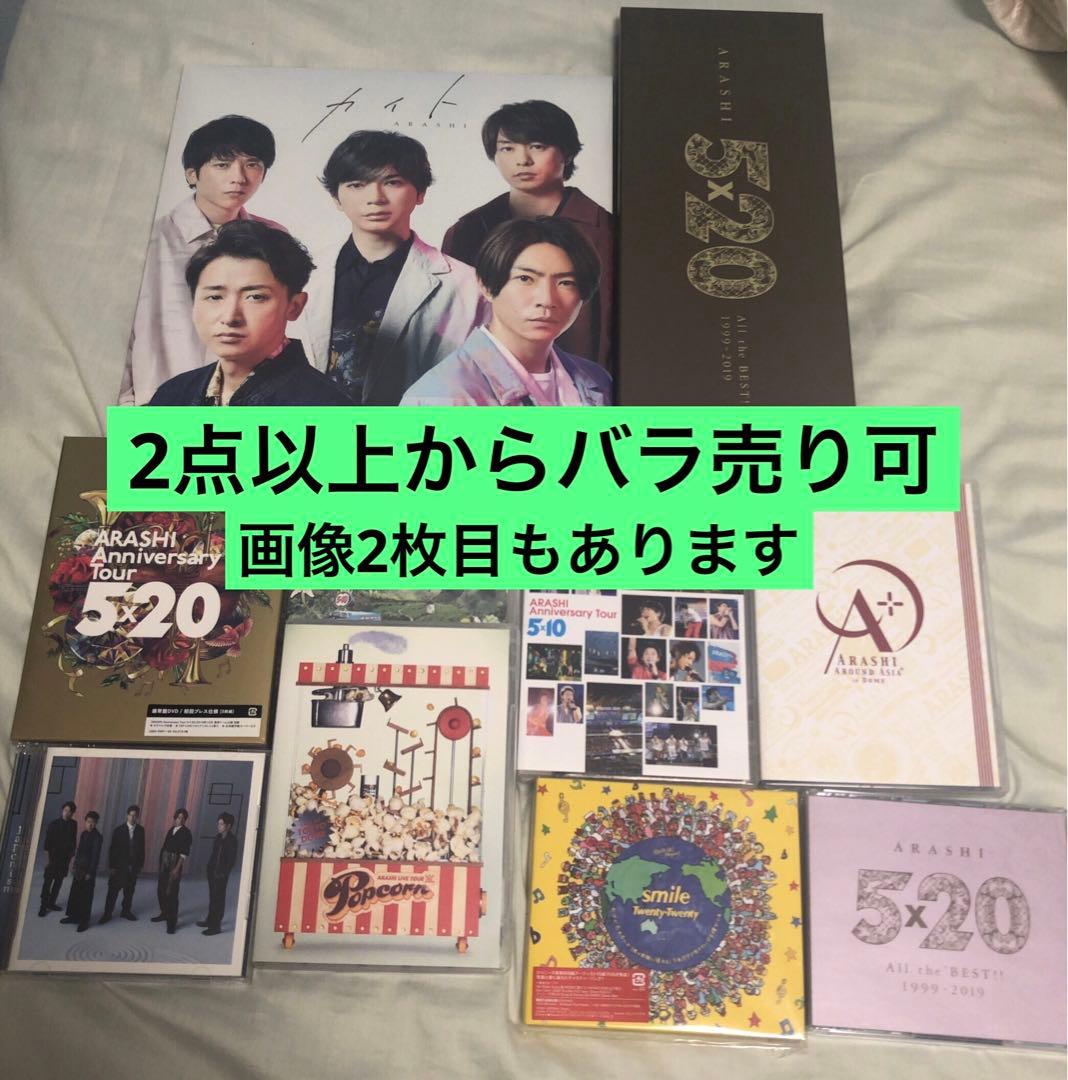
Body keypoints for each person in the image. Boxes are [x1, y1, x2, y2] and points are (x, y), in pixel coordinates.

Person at [302, 130, 485, 404]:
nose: (375, 197)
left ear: (420, 193)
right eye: (356, 184)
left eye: (392, 182)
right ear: (336, 198)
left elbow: (476, 380)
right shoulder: (304, 275)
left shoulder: (466, 286)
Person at [121, 115, 286, 405]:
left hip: (250, 405)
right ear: (192, 174)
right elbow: (117, 334)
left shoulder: (274, 237)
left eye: (252, 164)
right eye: (222, 165)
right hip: (161, 404)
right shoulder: (148, 240)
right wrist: (126, 407)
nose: (239, 177)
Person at [441, 100, 613, 368]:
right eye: (507, 148)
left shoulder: (606, 232)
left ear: (567, 153)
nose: (522, 160)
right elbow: (450, 322)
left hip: (582, 381)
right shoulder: (467, 230)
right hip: (484, 377)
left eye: (537, 146)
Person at [401, 217, 612, 406]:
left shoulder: (597, 380)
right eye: (525, 279)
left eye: (565, 282)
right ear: (486, 285)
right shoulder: (439, 396)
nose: (547, 300)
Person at [148, 221, 352, 406]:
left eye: (255, 297)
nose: (230, 317)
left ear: (294, 306)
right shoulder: (171, 395)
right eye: (215, 297)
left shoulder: (329, 408)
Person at [100, 805, 146, 923]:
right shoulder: (118, 830)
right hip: (119, 866)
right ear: (127, 815)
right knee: (113, 891)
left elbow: (142, 849)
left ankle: (126, 911)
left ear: (137, 817)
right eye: (131, 815)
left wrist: (140, 865)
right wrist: (112, 866)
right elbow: (112, 850)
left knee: (129, 891)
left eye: (135, 816)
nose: (132, 818)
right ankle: (107, 913)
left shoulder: (141, 830)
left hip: (133, 866)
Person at [60, 811, 102, 932]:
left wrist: (90, 873)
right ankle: (73, 917)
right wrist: (74, 865)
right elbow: (79, 851)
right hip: (79, 868)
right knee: (75, 893)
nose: (90, 825)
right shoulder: (83, 834)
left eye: (93, 823)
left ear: (96, 823)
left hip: (88, 871)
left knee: (86, 897)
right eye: (88, 822)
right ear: (85, 822)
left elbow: (95, 857)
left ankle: (84, 921)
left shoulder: (98, 837)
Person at [152, 809, 192, 934]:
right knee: (161, 889)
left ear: (185, 820)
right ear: (175, 818)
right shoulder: (171, 830)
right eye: (179, 817)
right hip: (164, 863)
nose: (181, 820)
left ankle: (171, 923)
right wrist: (161, 864)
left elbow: (184, 854)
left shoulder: (186, 833)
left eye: (183, 818)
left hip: (174, 864)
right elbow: (165, 847)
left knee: (172, 893)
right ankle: (164, 913)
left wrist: (176, 869)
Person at [199, 813, 238, 936]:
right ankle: (210, 920)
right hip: (212, 871)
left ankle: (216, 926)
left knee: (218, 899)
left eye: (221, 824)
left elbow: (231, 860)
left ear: (228, 826)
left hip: (221, 874)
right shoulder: (217, 837)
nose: (218, 826)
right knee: (212, 897)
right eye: (218, 824)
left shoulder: (232, 840)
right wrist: (210, 869)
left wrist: (223, 873)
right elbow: (214, 855)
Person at [39, 800, 77, 917]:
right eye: (65, 810)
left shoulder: (73, 824)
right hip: (52, 859)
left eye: (70, 811)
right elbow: (47, 845)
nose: (67, 813)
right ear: (62, 810)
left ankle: (51, 903)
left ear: (72, 813)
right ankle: (43, 907)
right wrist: (47, 861)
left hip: (64, 860)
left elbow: (73, 841)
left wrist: (71, 856)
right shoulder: (53, 824)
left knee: (58, 883)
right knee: (47, 883)